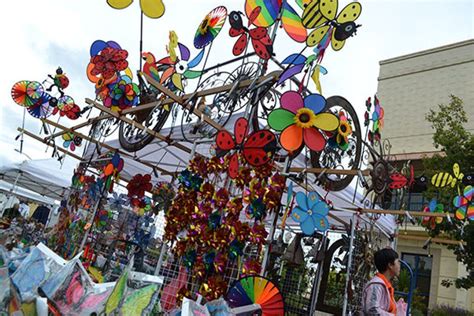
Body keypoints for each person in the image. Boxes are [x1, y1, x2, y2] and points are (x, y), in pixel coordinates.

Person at [361, 248, 404, 315]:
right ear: (390, 265)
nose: (399, 266)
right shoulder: (376, 285)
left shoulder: (385, 285)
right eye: (397, 262)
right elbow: (372, 310)